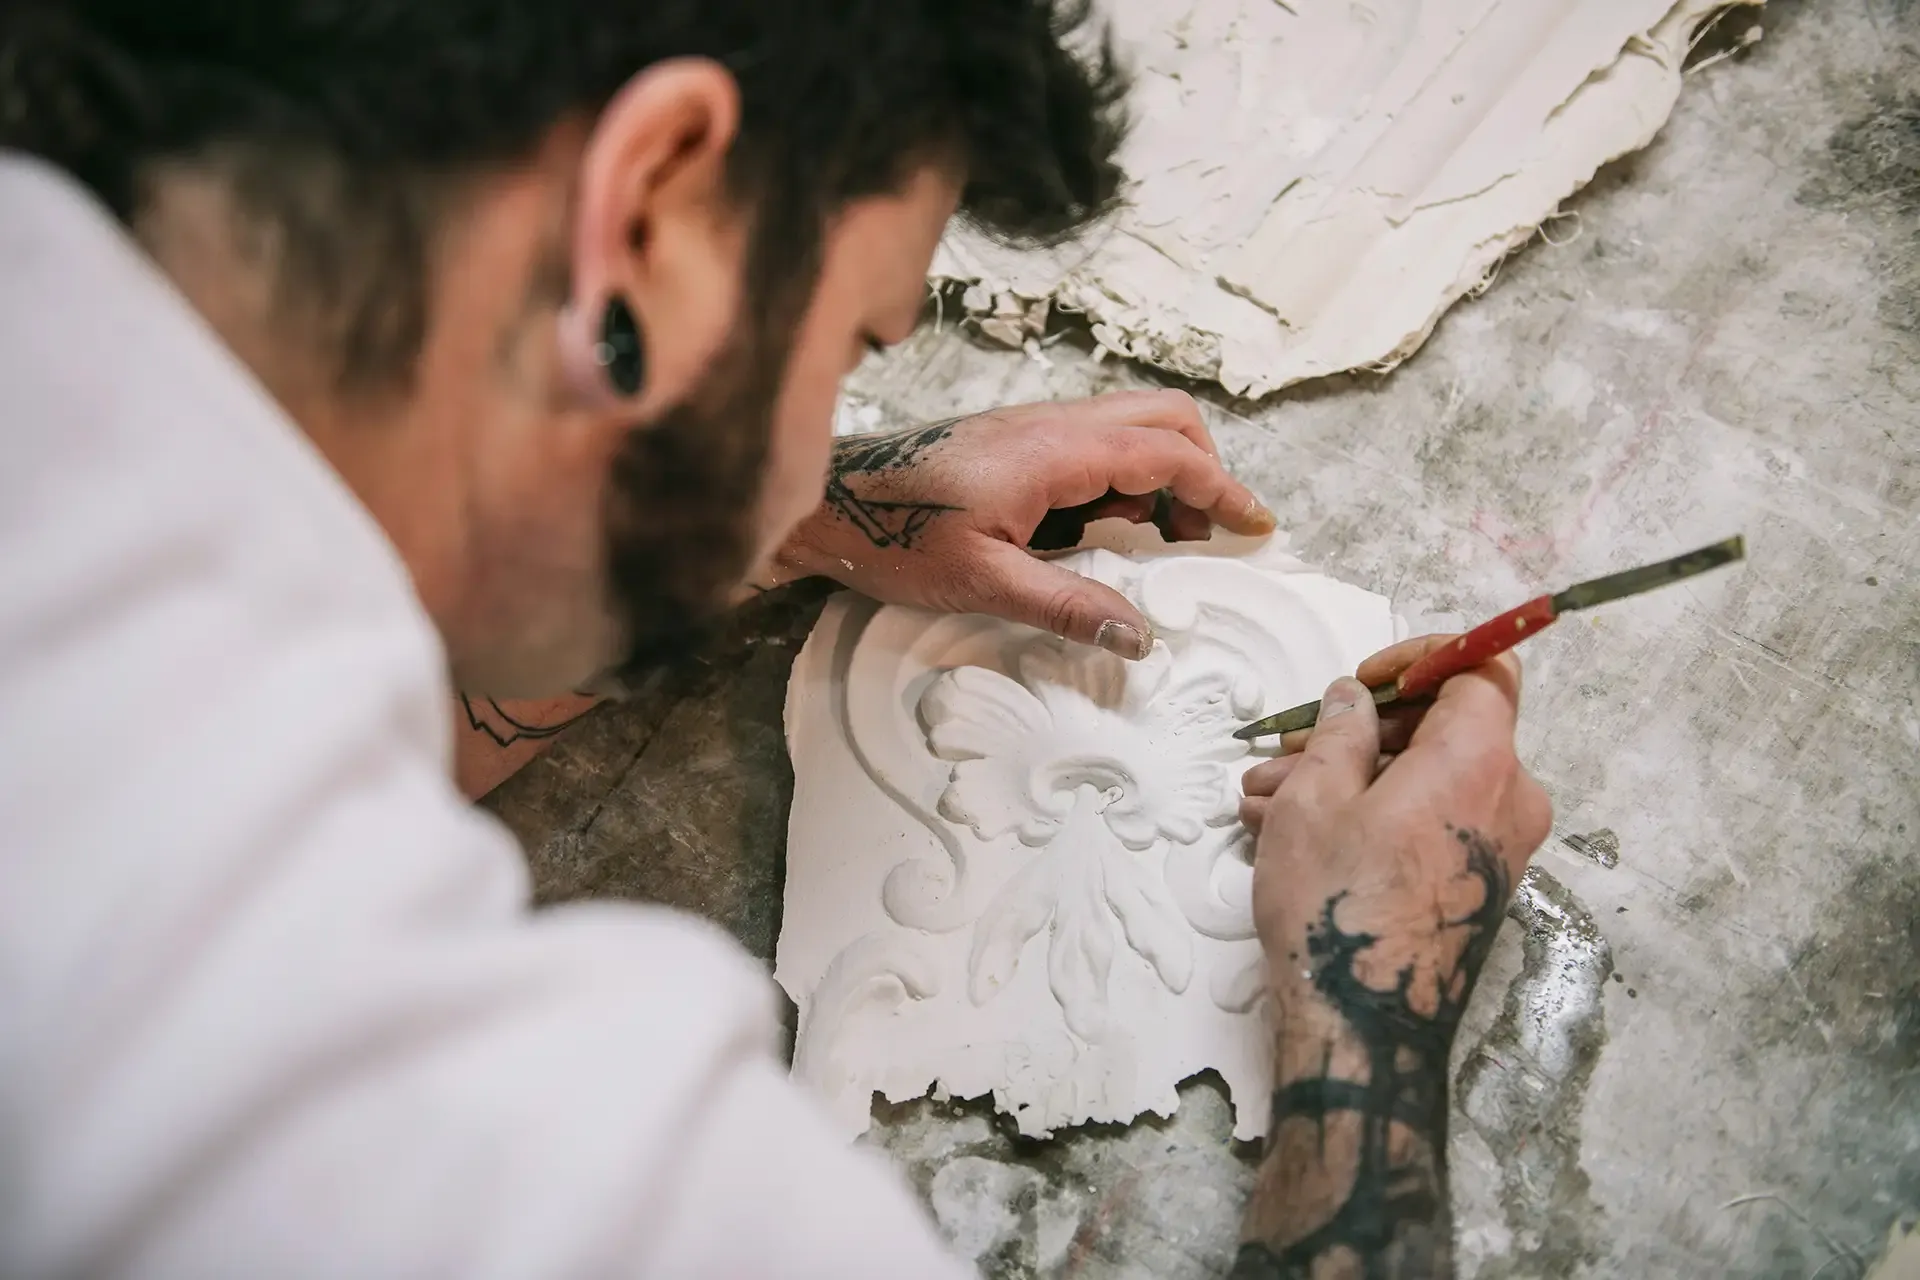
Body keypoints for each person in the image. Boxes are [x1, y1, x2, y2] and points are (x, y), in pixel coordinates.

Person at [0, 3, 1552, 1277]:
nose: (829, 420)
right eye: (852, 346)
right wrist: (1369, 1011)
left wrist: (790, 507)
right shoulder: (400, 1128)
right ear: (650, 207)